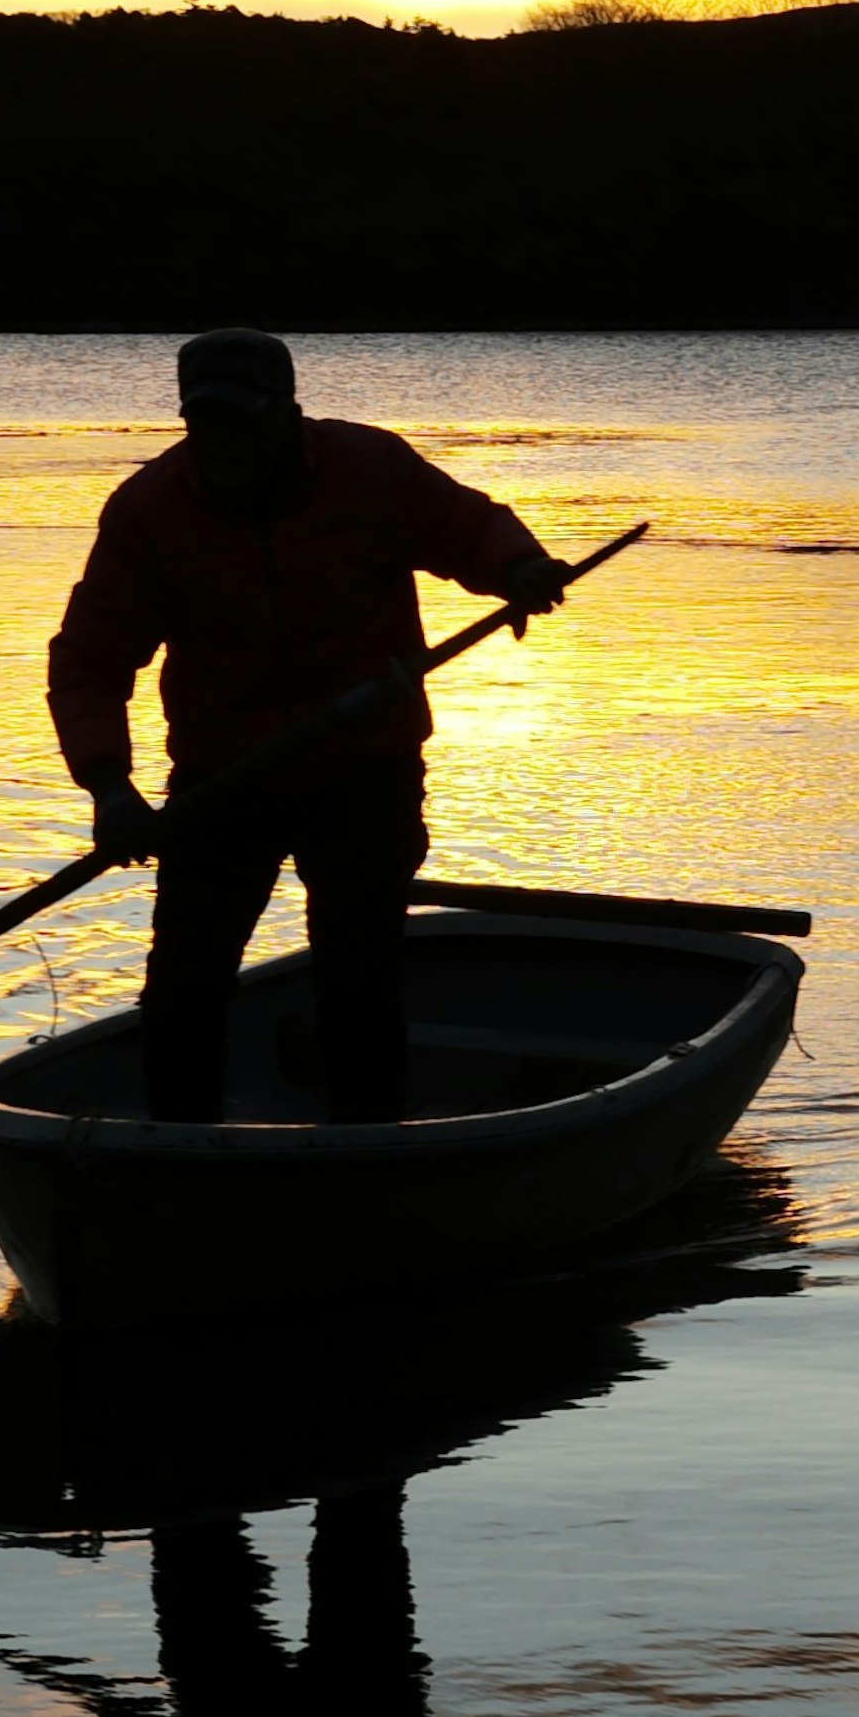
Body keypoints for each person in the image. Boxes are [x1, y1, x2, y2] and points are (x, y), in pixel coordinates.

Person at [45, 327, 568, 1129]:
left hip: (366, 769)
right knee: (185, 984)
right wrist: (109, 787)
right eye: (206, 422)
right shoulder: (150, 511)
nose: (222, 441)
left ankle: (368, 1148)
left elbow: (464, 525)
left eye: (242, 419)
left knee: (359, 979)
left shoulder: (371, 471)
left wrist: (517, 568)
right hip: (221, 784)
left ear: (288, 411)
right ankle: (173, 1156)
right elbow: (90, 659)